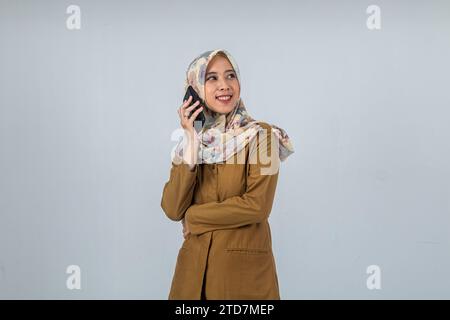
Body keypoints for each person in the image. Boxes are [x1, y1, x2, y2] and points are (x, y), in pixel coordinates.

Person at [161, 49, 294, 299]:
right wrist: (191, 139)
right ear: (195, 89)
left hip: (241, 281)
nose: (224, 85)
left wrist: (194, 218)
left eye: (230, 76)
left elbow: (257, 206)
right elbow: (171, 208)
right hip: (191, 280)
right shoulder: (191, 144)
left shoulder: (262, 136)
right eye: (211, 78)